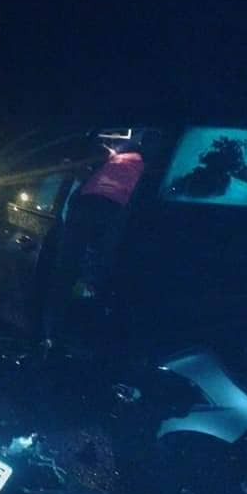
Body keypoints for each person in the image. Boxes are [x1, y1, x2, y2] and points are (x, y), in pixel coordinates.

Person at [43, 138, 148, 349]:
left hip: (89, 207)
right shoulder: (141, 165)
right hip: (110, 211)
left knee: (67, 272)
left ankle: (54, 334)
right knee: (95, 271)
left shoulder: (114, 163)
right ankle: (71, 331)